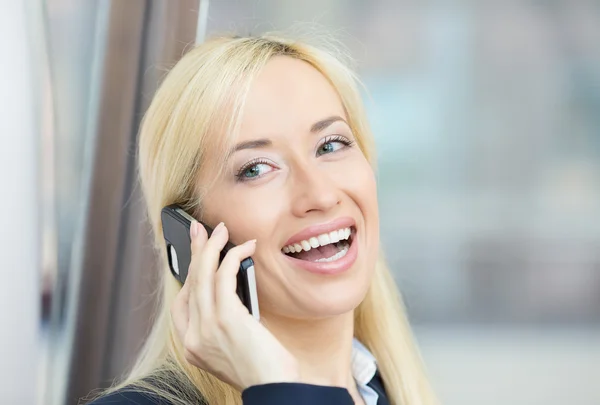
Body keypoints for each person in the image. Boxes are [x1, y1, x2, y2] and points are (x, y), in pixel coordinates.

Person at [87, 33, 438, 405]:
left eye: (331, 145)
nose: (319, 195)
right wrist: (275, 385)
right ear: (190, 230)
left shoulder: (384, 389)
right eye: (256, 169)